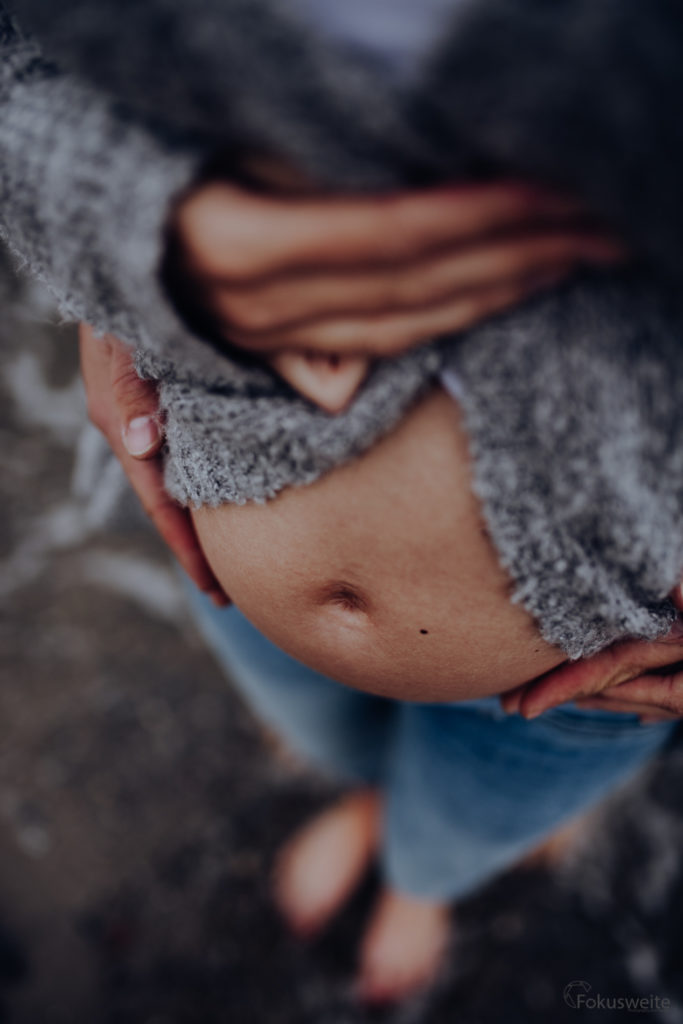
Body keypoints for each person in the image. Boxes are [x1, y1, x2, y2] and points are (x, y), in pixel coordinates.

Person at [7, 0, 683, 1004]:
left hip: (593, 668)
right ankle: (368, 790)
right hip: (224, 545)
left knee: (470, 822)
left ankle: (421, 878)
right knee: (319, 732)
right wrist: (129, 234)